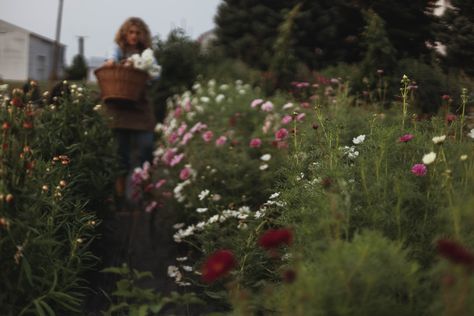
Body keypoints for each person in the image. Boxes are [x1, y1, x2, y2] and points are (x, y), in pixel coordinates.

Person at [103, 17, 159, 210]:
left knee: (146, 148)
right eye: (131, 32)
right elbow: (110, 58)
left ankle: (146, 193)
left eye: (137, 32)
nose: (134, 36)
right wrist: (114, 63)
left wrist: (147, 73)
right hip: (120, 109)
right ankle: (120, 199)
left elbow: (156, 73)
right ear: (125, 34)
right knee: (121, 156)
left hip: (140, 108)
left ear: (142, 35)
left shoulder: (147, 53)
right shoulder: (118, 49)